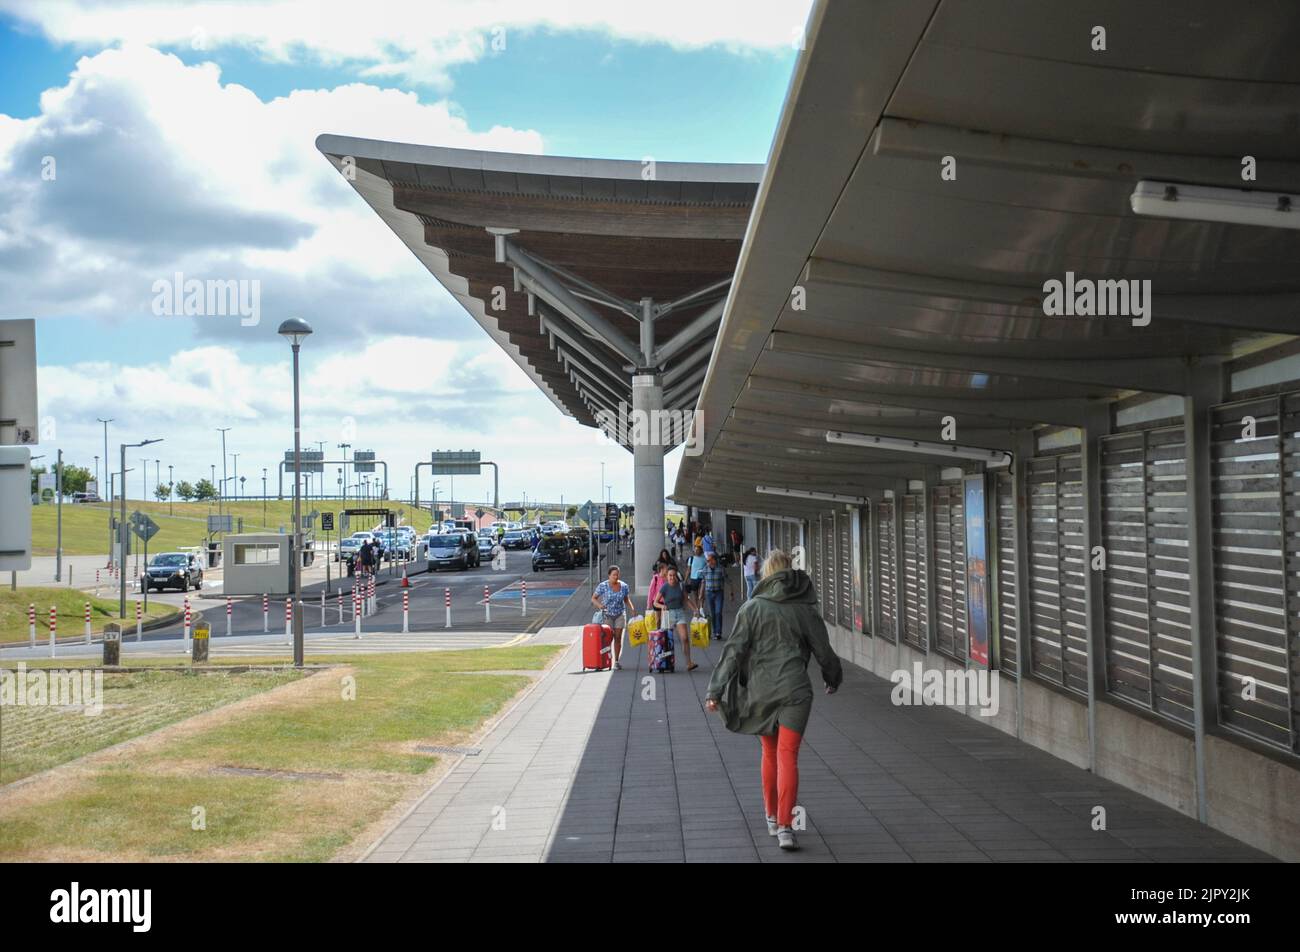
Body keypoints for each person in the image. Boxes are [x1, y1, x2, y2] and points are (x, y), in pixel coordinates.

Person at [704, 549, 843, 851]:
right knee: (788, 755)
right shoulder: (805, 609)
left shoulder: (752, 608)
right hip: (796, 691)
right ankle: (785, 827)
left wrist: (715, 691)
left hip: (762, 692)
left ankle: (770, 816)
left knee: (769, 753)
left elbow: (734, 651)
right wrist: (832, 678)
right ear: (790, 574)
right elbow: (824, 650)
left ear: (766, 575)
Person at [653, 565, 697, 671]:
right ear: (667, 576)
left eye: (673, 575)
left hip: (680, 612)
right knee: (666, 640)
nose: (672, 578)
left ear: (676, 576)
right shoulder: (664, 587)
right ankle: (664, 663)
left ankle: (689, 663)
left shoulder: (681, 585)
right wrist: (662, 606)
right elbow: (655, 602)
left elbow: (686, 599)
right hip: (668, 614)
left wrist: (695, 610)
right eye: (670, 575)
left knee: (685, 638)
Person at [592, 565, 636, 670]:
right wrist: (599, 605)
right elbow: (593, 598)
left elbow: (626, 599)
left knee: (618, 637)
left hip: (620, 614)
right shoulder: (603, 586)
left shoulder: (624, 586)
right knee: (607, 638)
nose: (616, 577)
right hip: (607, 615)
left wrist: (632, 609)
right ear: (609, 575)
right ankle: (605, 660)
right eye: (613, 575)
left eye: (617, 575)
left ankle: (616, 661)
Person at [700, 551, 728, 640]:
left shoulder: (721, 569)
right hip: (709, 593)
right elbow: (703, 582)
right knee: (712, 613)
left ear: (714, 560)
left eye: (709, 560)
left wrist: (731, 592)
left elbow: (727, 580)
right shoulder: (705, 569)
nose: (707, 562)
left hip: (719, 593)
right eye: (707, 561)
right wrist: (701, 594)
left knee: (718, 612)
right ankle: (715, 632)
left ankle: (718, 632)